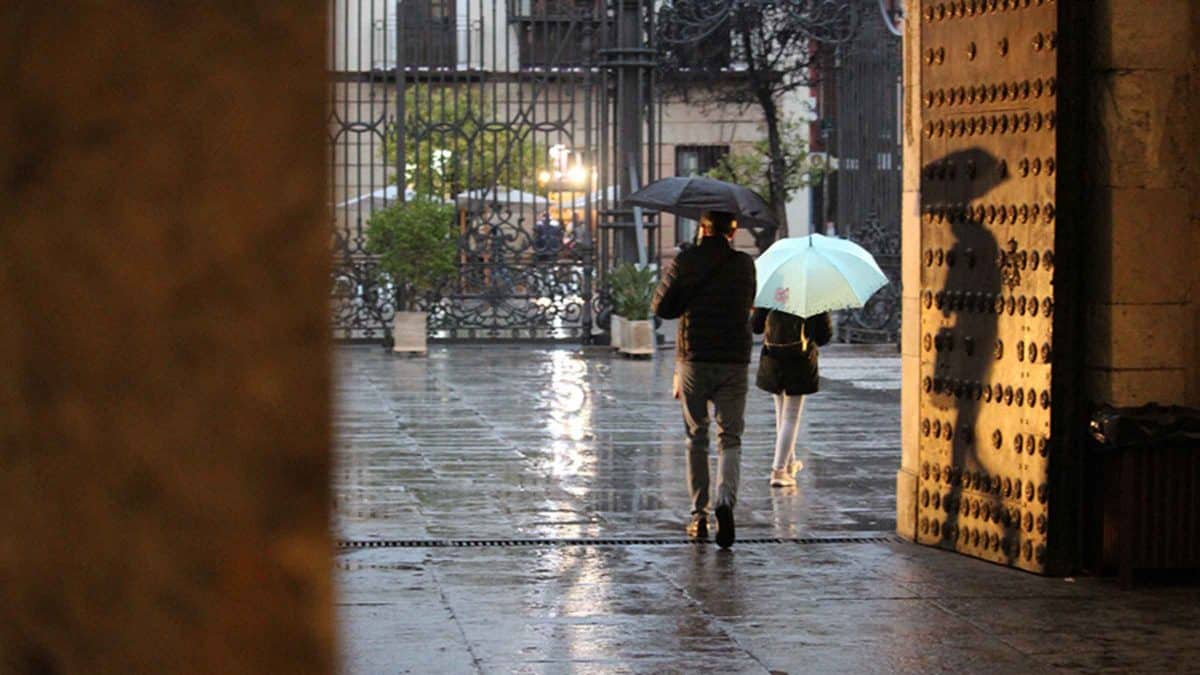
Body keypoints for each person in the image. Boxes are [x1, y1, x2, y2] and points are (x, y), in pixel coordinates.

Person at [652, 211, 756, 548]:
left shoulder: (687, 261)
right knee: (730, 437)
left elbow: (662, 308)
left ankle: (699, 515)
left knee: (697, 436)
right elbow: (747, 305)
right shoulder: (744, 264)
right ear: (732, 232)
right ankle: (725, 501)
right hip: (734, 361)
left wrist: (686, 285)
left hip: (695, 359)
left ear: (703, 228)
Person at [751, 308, 833, 488]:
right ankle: (779, 470)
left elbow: (756, 326)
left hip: (772, 359)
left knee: (781, 414)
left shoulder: (771, 294)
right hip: (799, 360)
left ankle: (790, 462)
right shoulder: (812, 297)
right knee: (791, 417)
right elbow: (824, 336)